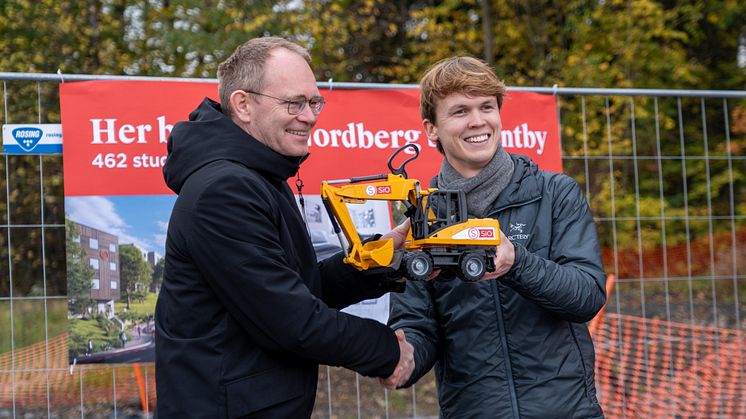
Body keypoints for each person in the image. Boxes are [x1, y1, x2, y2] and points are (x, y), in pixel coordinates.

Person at [155, 36, 414, 418]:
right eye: (294, 103)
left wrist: (381, 258)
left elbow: (299, 287)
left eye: (314, 102)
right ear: (243, 104)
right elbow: (290, 319)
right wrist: (386, 349)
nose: (309, 116)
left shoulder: (260, 177)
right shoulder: (224, 190)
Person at [386, 56, 607, 418]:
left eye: (486, 106)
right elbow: (418, 325)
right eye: (460, 111)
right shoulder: (423, 216)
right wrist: (402, 357)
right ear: (431, 129)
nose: (478, 121)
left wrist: (517, 262)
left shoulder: (555, 194)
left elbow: (586, 295)